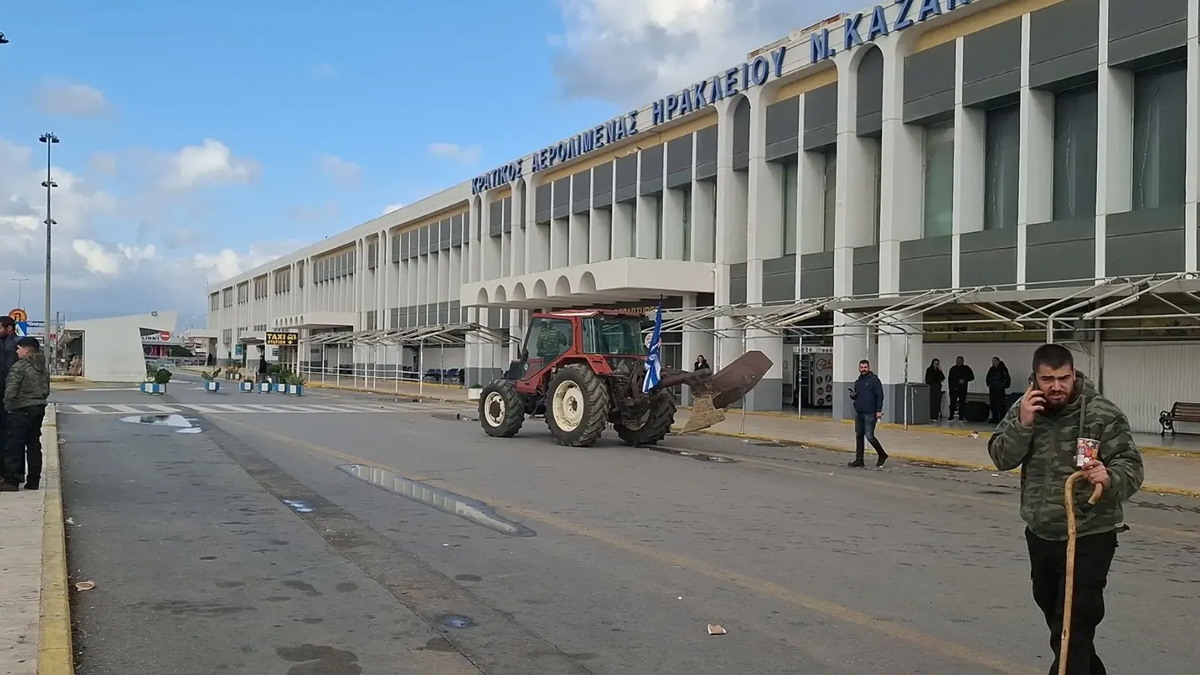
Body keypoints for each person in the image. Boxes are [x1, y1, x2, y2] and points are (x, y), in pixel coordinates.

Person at [987, 343, 1143, 675]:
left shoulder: (1102, 413)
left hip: (1090, 534)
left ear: (1074, 376)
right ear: (1035, 379)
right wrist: (1023, 423)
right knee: (1062, 624)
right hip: (1042, 533)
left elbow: (1132, 469)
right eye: (1048, 379)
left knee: (1076, 621)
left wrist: (1110, 476)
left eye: (1063, 378)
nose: (1056, 386)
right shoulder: (1025, 408)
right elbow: (1002, 458)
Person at [1, 337, 51, 491]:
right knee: (34, 444)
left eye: (19, 348)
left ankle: (11, 480)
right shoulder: (43, 367)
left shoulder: (20, 367)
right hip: (38, 408)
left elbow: (11, 390)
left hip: (20, 409)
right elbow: (46, 389)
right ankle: (34, 480)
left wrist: (8, 405)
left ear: (27, 350)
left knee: (14, 444)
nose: (17, 351)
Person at [847, 359, 888, 468]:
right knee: (859, 436)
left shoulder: (874, 380)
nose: (863, 369)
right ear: (859, 369)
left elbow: (880, 395)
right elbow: (856, 396)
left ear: (869, 368)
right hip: (859, 412)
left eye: (865, 367)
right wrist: (853, 395)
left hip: (870, 412)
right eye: (861, 367)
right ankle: (859, 460)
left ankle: (882, 454)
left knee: (869, 436)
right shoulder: (858, 382)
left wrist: (879, 410)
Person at [0, 317, 19, 446]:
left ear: (9, 329)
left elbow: (8, 372)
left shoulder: (11, 346)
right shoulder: (5, 343)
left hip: (6, 394)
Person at [985, 356, 1012, 424]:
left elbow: (1007, 379)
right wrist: (989, 384)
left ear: (998, 361)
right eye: (993, 361)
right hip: (992, 389)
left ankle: (1002, 418)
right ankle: (995, 418)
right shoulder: (991, 369)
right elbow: (988, 377)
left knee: (1001, 404)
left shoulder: (1003, 369)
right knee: (993, 404)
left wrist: (1001, 387)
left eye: (995, 361)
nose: (994, 363)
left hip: (999, 389)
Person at [947, 356, 974, 421]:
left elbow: (972, 377)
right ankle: (951, 415)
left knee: (962, 403)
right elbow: (950, 379)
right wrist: (951, 388)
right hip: (953, 388)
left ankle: (961, 416)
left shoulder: (966, 368)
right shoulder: (953, 369)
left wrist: (965, 380)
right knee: (952, 402)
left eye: (960, 360)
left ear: (963, 361)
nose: (958, 362)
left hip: (962, 388)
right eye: (957, 360)